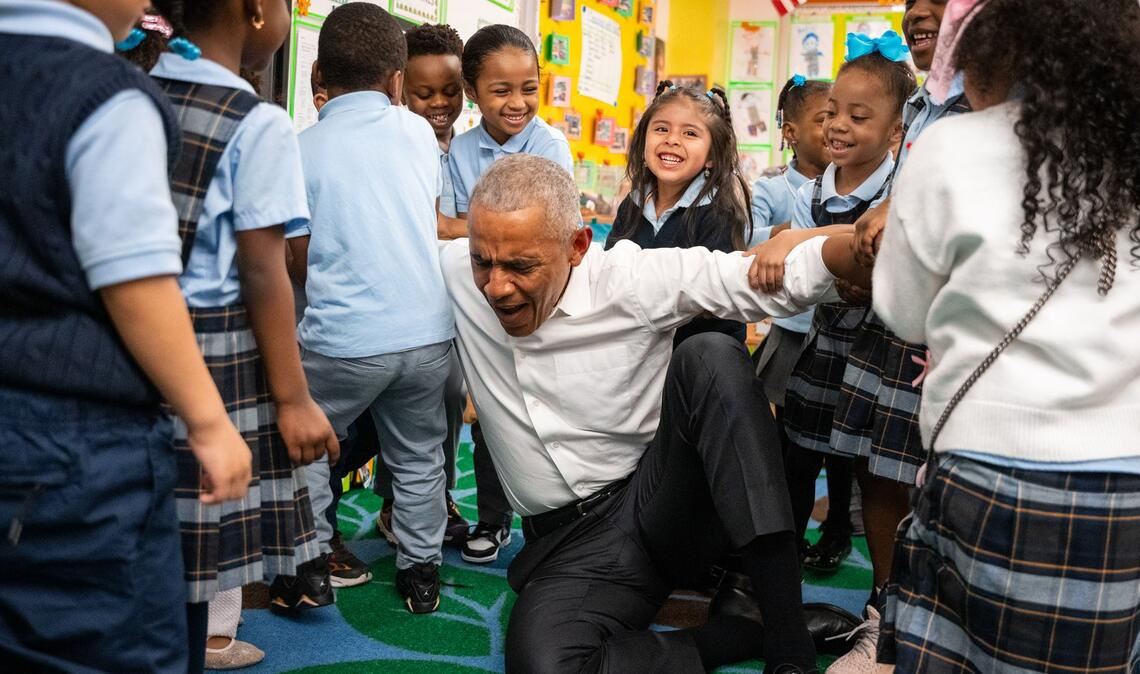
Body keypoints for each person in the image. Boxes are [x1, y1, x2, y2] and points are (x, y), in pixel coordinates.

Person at [441, 153, 865, 673]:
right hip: (571, 548)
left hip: (664, 505)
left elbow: (775, 279)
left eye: (521, 266)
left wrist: (865, 243)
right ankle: (740, 633)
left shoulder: (629, 275)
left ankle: (783, 628)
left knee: (710, 355)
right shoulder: (455, 275)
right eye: (483, 261)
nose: (496, 286)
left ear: (577, 247)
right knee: (545, 667)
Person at [872, 1, 1140, 671]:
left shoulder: (952, 146)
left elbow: (903, 313)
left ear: (986, 57)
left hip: (988, 470)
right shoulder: (1129, 151)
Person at [0, 2, 251, 671]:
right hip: (73, 447)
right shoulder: (108, 96)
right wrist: (208, 420)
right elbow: (136, 278)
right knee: (109, 641)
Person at [149, 0, 340, 670]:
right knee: (208, 511)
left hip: (133, 331)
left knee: (151, 510)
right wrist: (293, 397)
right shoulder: (256, 122)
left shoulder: (136, 86)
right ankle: (201, 641)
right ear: (258, 11)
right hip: (217, 345)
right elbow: (264, 272)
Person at [292, 2, 455, 615]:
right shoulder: (417, 134)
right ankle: (421, 573)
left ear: (318, 77)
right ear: (396, 81)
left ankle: (308, 560)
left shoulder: (299, 148)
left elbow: (296, 259)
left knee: (306, 446)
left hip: (343, 344)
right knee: (418, 455)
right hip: (426, 337)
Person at [444, 23, 575, 565]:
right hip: (480, 303)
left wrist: (467, 230)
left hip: (539, 305)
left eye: (529, 87)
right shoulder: (460, 151)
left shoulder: (551, 147)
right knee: (493, 413)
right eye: (501, 90)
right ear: (472, 92)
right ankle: (494, 519)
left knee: (547, 411)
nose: (517, 102)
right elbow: (445, 227)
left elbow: (551, 232)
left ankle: (558, 521)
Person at [367, 21, 472, 560]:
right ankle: (395, 502)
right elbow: (428, 224)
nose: (438, 104)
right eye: (423, 93)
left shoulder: (466, 146)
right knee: (425, 399)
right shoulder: (395, 144)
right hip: (407, 300)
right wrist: (479, 224)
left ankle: (439, 497)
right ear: (398, 87)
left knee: (449, 402)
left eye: (450, 92)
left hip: (461, 300)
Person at [749, 76, 857, 573]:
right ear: (791, 132)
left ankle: (838, 523)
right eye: (823, 118)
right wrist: (781, 235)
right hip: (795, 334)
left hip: (845, 337)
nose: (834, 128)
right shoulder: (778, 188)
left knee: (842, 446)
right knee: (792, 442)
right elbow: (746, 234)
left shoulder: (855, 181)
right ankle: (780, 534)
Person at [606, 81, 753, 345]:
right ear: (643, 143)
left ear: (712, 157)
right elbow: (610, 273)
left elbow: (713, 303)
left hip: (693, 356)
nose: (672, 140)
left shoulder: (720, 214)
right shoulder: (633, 204)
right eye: (661, 129)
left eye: (690, 134)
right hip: (635, 349)